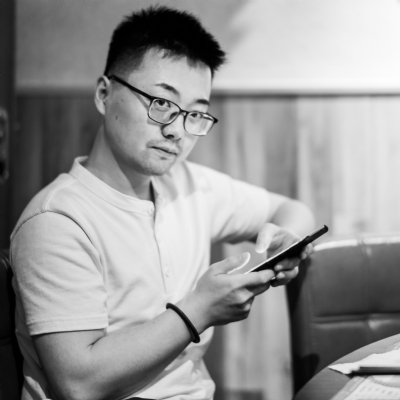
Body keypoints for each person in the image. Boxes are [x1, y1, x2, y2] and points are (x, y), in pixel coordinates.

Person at [10, 6, 315, 400]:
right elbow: (78, 383)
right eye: (161, 103)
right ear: (104, 94)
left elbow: (291, 210)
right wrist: (199, 309)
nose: (176, 131)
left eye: (196, 114)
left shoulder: (190, 185)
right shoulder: (57, 219)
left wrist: (285, 240)